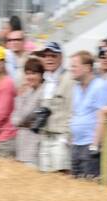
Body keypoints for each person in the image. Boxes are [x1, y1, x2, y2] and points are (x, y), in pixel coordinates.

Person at [68, 50, 107, 178]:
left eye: (74, 66)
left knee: (89, 186)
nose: (71, 69)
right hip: (76, 145)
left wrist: (95, 146)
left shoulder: (100, 86)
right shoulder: (76, 87)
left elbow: (102, 117)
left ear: (87, 68)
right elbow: (76, 114)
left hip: (90, 146)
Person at [35, 42, 72, 174]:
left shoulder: (69, 79)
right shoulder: (46, 80)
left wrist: (66, 138)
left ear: (61, 57)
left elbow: (72, 110)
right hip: (45, 135)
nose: (49, 59)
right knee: (45, 178)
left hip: (60, 137)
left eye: (53, 55)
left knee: (61, 177)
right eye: (45, 56)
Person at [11, 55, 45, 166]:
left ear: (41, 75)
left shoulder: (42, 92)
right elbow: (14, 121)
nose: (29, 77)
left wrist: (20, 96)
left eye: (33, 73)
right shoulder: (29, 91)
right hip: (22, 146)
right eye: (27, 73)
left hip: (34, 147)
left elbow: (22, 116)